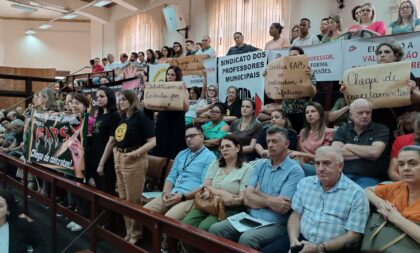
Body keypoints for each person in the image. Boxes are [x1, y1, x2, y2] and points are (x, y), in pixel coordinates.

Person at [209, 126, 305, 250]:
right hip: (251, 217)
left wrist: (258, 193)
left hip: (275, 223)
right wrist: (270, 201)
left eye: (275, 141)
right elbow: (247, 199)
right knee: (215, 229)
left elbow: (282, 207)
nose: (270, 145)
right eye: (268, 141)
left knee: (247, 239)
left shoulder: (295, 171)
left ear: (286, 144)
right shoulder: (261, 165)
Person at [262, 146, 369, 253]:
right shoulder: (305, 183)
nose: (321, 168)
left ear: (340, 166)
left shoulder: (357, 194)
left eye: (326, 163)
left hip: (331, 248)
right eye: (317, 163)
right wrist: (293, 241)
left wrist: (319, 248)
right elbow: (296, 215)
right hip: (300, 240)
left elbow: (353, 235)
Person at [111, 90, 156, 244]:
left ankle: (136, 233)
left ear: (132, 100)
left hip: (134, 159)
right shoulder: (123, 118)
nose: (120, 102)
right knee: (123, 198)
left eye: (124, 99)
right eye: (119, 100)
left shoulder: (141, 117)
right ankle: (129, 231)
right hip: (120, 157)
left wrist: (135, 154)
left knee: (133, 199)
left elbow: (152, 142)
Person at [144, 125, 216, 221]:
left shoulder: (210, 157)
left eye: (192, 136)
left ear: (202, 137)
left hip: (190, 198)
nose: (188, 139)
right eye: (186, 137)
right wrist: (165, 193)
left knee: (168, 220)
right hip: (173, 193)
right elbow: (171, 177)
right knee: (145, 212)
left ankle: (164, 235)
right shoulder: (182, 154)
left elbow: (204, 186)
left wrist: (182, 197)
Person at [182, 135, 253, 230]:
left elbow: (241, 199)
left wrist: (229, 200)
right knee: (185, 224)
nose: (224, 149)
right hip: (208, 202)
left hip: (229, 208)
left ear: (237, 148)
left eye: (228, 146)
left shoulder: (247, 169)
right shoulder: (215, 163)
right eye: (222, 147)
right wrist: (222, 193)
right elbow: (205, 186)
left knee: (204, 228)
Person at [366, 145, 420, 244]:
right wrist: (383, 205)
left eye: (413, 163)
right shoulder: (399, 186)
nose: (406, 168)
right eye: (401, 164)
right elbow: (367, 191)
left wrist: (395, 217)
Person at [332, 99, 389, 188]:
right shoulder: (342, 130)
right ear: (351, 115)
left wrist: (348, 146)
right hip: (343, 175)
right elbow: (336, 153)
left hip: (369, 177)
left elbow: (375, 152)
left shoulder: (381, 129)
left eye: (368, 112)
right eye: (360, 113)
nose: (365, 116)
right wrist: (366, 154)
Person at [154, 66, 189, 159]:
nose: (169, 77)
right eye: (168, 74)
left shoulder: (183, 88)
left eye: (172, 75)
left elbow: (186, 108)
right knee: (161, 143)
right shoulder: (160, 88)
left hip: (177, 120)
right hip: (163, 119)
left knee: (176, 145)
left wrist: (182, 92)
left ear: (177, 77)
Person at [289, 102, 335, 175]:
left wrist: (303, 154)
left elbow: (324, 157)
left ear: (320, 114)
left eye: (313, 111)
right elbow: (297, 152)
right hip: (301, 163)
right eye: (307, 112)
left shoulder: (329, 132)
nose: (309, 114)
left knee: (292, 165)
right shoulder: (303, 131)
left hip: (319, 166)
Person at [280, 46, 317, 132]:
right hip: (287, 111)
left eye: (295, 55)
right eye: (290, 55)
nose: (292, 57)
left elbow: (313, 93)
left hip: (303, 112)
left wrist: (308, 78)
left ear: (301, 56)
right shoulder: (283, 72)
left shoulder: (308, 71)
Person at [388, 113, 420, 181]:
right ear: (413, 126)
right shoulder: (401, 141)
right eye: (418, 134)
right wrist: (408, 183)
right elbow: (392, 171)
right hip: (404, 183)